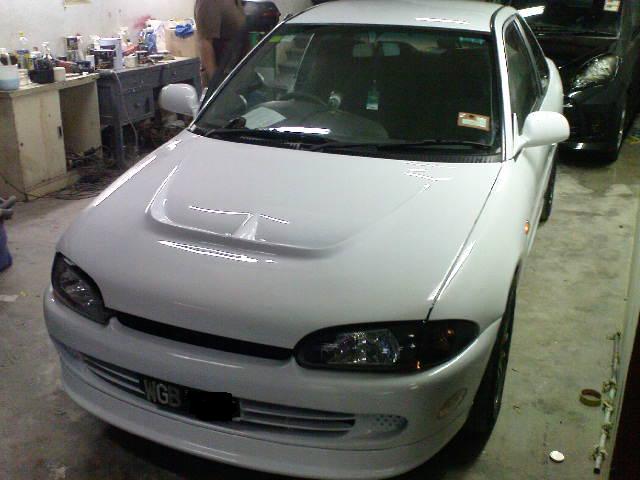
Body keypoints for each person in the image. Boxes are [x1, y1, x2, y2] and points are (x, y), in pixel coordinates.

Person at [195, 0, 247, 86]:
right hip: (222, 79)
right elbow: (205, 42)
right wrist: (216, 81)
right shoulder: (210, 2)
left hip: (237, 74)